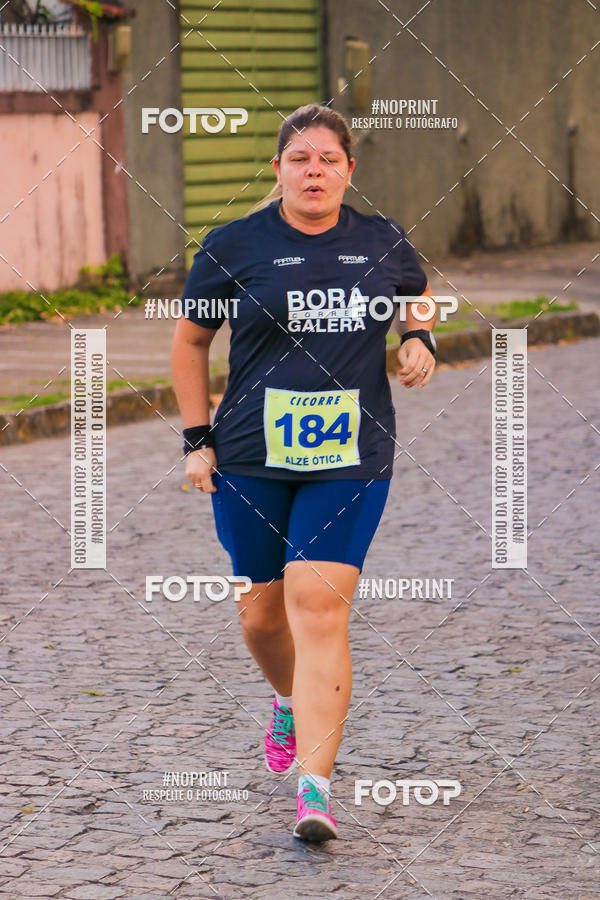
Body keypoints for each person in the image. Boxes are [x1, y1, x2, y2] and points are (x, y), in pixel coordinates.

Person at [171, 103, 437, 842]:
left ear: (349, 171)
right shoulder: (233, 245)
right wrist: (197, 439)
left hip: (350, 457)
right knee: (261, 614)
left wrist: (419, 337)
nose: (314, 170)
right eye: (300, 159)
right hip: (252, 454)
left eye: (328, 159)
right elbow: (190, 341)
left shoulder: (381, 241)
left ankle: (314, 788)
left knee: (317, 607)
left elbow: (417, 290)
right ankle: (287, 699)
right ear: (279, 170)